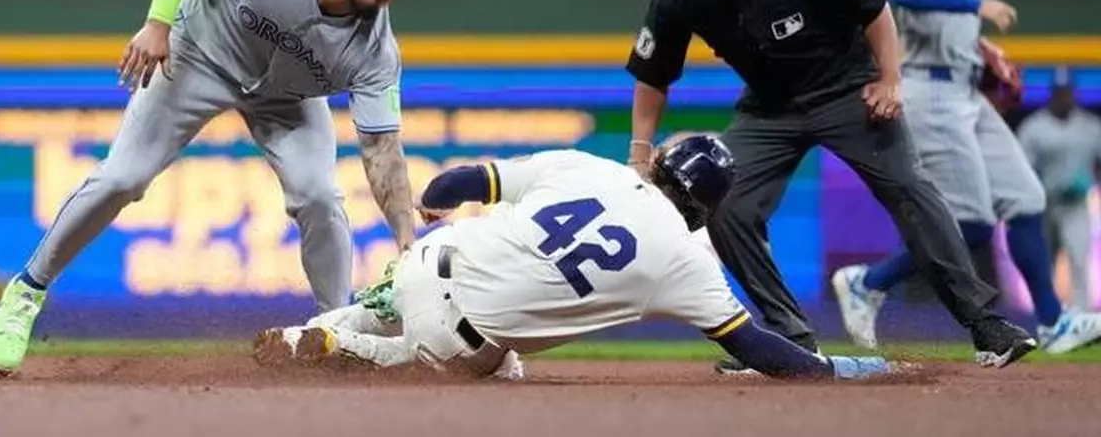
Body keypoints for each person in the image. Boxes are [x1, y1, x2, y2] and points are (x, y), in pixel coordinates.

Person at [0, 0, 429, 375]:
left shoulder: (377, 52)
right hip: (197, 57)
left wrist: (404, 240)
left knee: (319, 195)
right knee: (122, 179)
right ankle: (27, 291)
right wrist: (158, 21)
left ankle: (334, 333)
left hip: (287, 97)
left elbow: (382, 150)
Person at [624, 0, 1036, 376]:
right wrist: (640, 150)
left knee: (910, 189)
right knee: (725, 205)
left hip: (847, 89)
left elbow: (875, 8)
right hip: (770, 107)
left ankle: (986, 325)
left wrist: (889, 80)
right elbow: (652, 77)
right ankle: (790, 340)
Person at [253, 135, 902, 381]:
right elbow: (758, 346)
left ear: (659, 163)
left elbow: (458, 182)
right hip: (460, 336)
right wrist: (834, 368)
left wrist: (430, 204)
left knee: (394, 296)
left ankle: (318, 330)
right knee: (485, 369)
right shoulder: (686, 258)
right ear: (707, 206)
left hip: (434, 256)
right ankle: (347, 351)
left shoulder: (588, 165)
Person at [830, 0, 1101, 356]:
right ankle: (869, 281)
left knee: (1026, 199)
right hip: (930, 90)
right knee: (971, 220)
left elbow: (941, 17)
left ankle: (1052, 323)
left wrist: (981, 46)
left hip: (964, 86)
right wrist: (978, 5)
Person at [1017, 67, 1101, 314]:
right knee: (1044, 263)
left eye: (1067, 92)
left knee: (1078, 259)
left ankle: (1083, 319)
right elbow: (1023, 169)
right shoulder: (1034, 126)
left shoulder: (1090, 126)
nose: (1063, 97)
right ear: (1051, 94)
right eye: (1059, 92)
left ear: (1073, 93)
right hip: (1045, 204)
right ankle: (1047, 318)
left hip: (1076, 205)